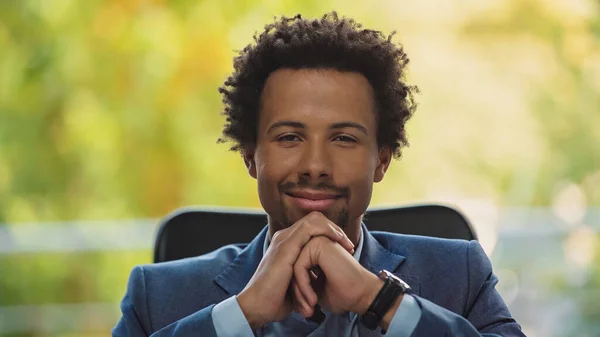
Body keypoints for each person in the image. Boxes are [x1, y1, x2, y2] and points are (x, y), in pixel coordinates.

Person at [113, 12, 525, 337]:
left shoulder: (460, 274)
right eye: (290, 137)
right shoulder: (157, 295)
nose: (315, 165)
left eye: (343, 138)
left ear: (381, 160)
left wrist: (377, 300)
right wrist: (242, 313)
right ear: (250, 156)